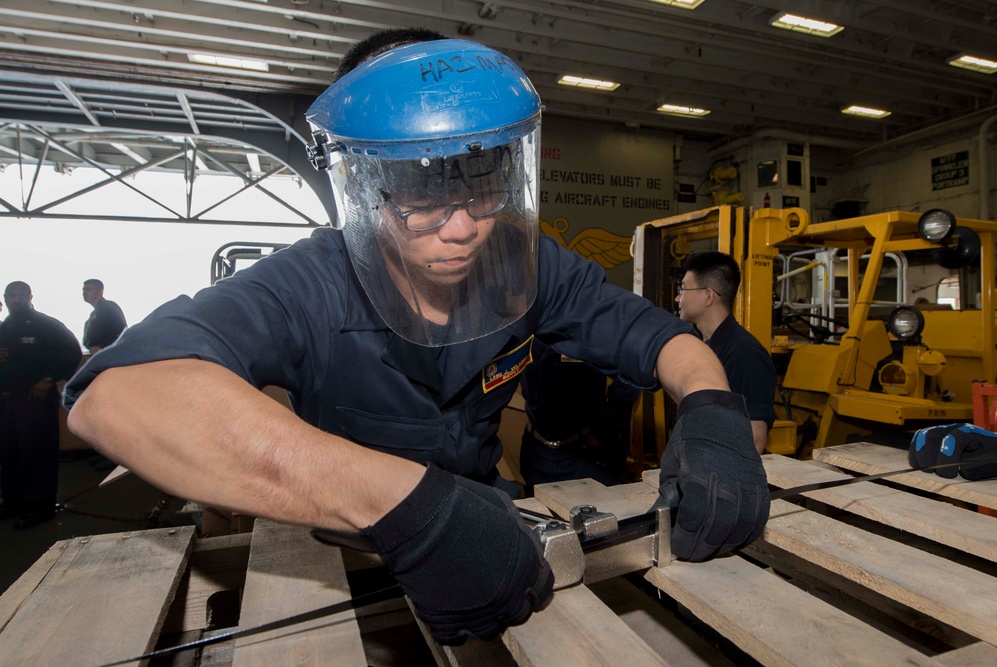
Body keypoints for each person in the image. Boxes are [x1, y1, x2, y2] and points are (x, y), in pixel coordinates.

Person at [64, 30, 769, 644]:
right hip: (354, 544)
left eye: (482, 182)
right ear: (363, 183)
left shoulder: (521, 264)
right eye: (421, 190)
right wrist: (401, 506)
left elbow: (649, 333)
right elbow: (118, 395)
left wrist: (710, 407)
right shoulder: (311, 281)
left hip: (490, 521)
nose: (461, 227)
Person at [675, 251, 777, 454]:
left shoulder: (745, 354)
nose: (678, 298)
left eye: (684, 289)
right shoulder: (702, 346)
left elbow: (755, 440)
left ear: (708, 296)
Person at [0, 281, 82, 529]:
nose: (16, 300)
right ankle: (13, 502)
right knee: (10, 455)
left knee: (37, 455)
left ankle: (40, 508)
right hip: (8, 403)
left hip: (35, 402)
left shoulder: (46, 325)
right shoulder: (4, 327)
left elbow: (72, 351)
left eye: (20, 296)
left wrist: (50, 378)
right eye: (11, 296)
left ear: (30, 297)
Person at [519, 340, 639, 495]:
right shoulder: (524, 325)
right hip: (536, 452)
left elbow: (628, 375)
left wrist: (604, 431)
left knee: (598, 514)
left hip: (586, 454)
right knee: (538, 516)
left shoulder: (589, 324)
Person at [82, 278, 127, 354]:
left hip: (114, 353)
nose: (84, 293)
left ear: (100, 291)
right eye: (83, 290)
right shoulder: (94, 314)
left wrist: (100, 346)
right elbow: (86, 340)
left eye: (88, 289)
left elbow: (92, 336)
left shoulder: (107, 307)